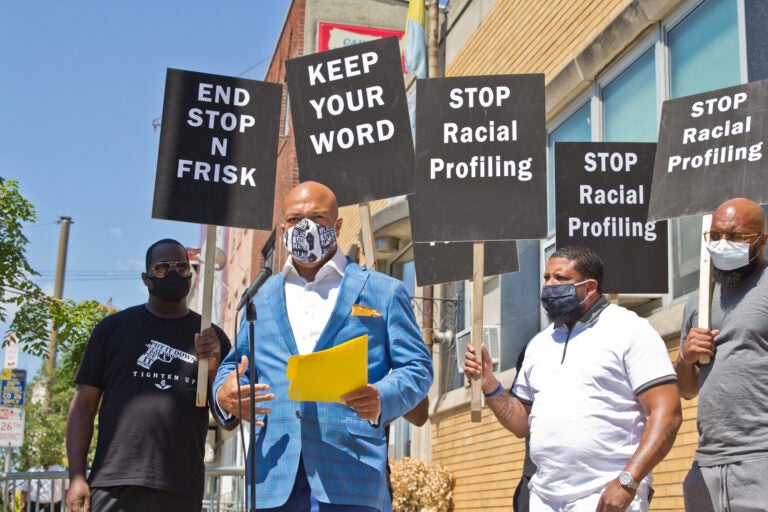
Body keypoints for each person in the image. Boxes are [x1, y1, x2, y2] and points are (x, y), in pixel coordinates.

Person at [213, 181, 433, 512]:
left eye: (318, 217)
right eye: (294, 218)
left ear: (338, 225)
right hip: (272, 476)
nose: (305, 227)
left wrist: (381, 397)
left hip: (351, 474)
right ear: (283, 227)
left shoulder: (384, 291)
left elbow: (417, 367)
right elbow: (234, 365)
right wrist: (223, 393)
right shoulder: (258, 297)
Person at [464, 246, 681, 512]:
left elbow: (667, 413)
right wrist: (488, 384)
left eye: (560, 279)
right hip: (544, 496)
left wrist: (628, 481)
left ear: (590, 287)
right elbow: (522, 423)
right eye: (546, 278)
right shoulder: (538, 344)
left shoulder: (630, 330)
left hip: (605, 495)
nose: (549, 285)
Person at [64, 238, 235, 512]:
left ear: (190, 275)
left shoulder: (211, 337)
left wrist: (214, 368)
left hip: (181, 487)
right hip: (114, 482)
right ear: (145, 278)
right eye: (161, 268)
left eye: (181, 267)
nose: (172, 273)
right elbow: (84, 405)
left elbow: (229, 421)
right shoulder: (112, 329)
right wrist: (76, 477)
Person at [676, 197, 768, 512]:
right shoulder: (698, 300)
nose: (722, 244)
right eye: (715, 236)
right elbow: (687, 390)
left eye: (736, 237)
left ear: (762, 240)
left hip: (761, 458)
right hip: (708, 463)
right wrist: (685, 358)